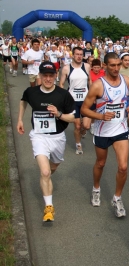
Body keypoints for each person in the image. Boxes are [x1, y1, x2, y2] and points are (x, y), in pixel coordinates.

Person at [17, 61, 75, 222]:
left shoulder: (63, 95)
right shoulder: (31, 92)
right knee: (45, 172)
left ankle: (47, 178)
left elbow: (73, 117)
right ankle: (49, 207)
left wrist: (58, 114)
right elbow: (23, 101)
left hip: (57, 137)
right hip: (39, 136)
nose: (48, 79)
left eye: (51, 76)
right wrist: (20, 120)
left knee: (53, 167)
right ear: (40, 76)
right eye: (45, 76)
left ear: (56, 76)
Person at [81, 52, 129, 218]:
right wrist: (100, 116)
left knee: (123, 166)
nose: (116, 68)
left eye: (118, 65)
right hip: (102, 131)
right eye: (112, 65)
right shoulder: (98, 85)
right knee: (100, 163)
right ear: (105, 66)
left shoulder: (127, 81)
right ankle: (96, 188)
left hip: (120, 129)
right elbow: (84, 109)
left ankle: (117, 198)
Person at [59, 47, 92, 154]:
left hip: (85, 100)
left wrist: (93, 95)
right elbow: (61, 84)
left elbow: (90, 81)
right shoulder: (66, 68)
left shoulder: (87, 66)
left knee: (86, 126)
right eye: (77, 54)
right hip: (73, 101)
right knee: (77, 125)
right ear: (72, 55)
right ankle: (78, 145)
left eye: (81, 54)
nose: (79, 56)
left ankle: (82, 131)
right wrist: (63, 97)